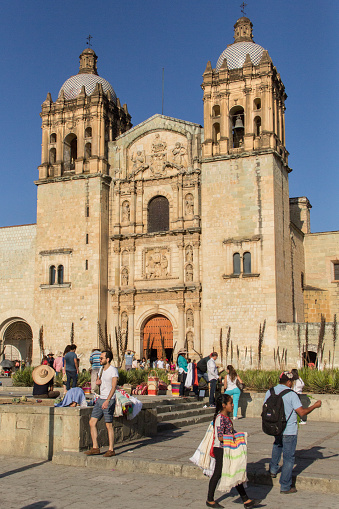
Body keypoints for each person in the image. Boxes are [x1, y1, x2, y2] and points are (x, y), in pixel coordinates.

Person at [265, 371, 322, 494]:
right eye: (293, 381)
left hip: (276, 427)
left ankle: (273, 470)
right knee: (289, 458)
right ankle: (285, 486)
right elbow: (301, 412)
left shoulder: (270, 391)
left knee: (277, 445)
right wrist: (314, 406)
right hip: (289, 430)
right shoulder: (291, 394)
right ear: (289, 382)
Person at [207, 394, 259, 508]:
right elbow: (220, 437)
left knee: (234, 471)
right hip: (220, 449)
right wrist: (233, 437)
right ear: (224, 405)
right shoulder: (220, 418)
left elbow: (229, 432)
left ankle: (246, 500)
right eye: (230, 403)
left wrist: (238, 435)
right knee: (218, 473)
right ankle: (210, 499)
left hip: (227, 448)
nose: (233, 405)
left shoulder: (226, 418)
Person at [84, 350, 119, 457]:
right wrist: (98, 383)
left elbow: (114, 387)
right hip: (100, 399)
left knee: (109, 425)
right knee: (92, 422)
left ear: (107, 359)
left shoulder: (113, 371)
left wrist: (108, 400)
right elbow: (100, 383)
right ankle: (95, 447)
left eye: (101, 358)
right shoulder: (100, 370)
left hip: (109, 399)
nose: (99, 359)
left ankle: (111, 449)